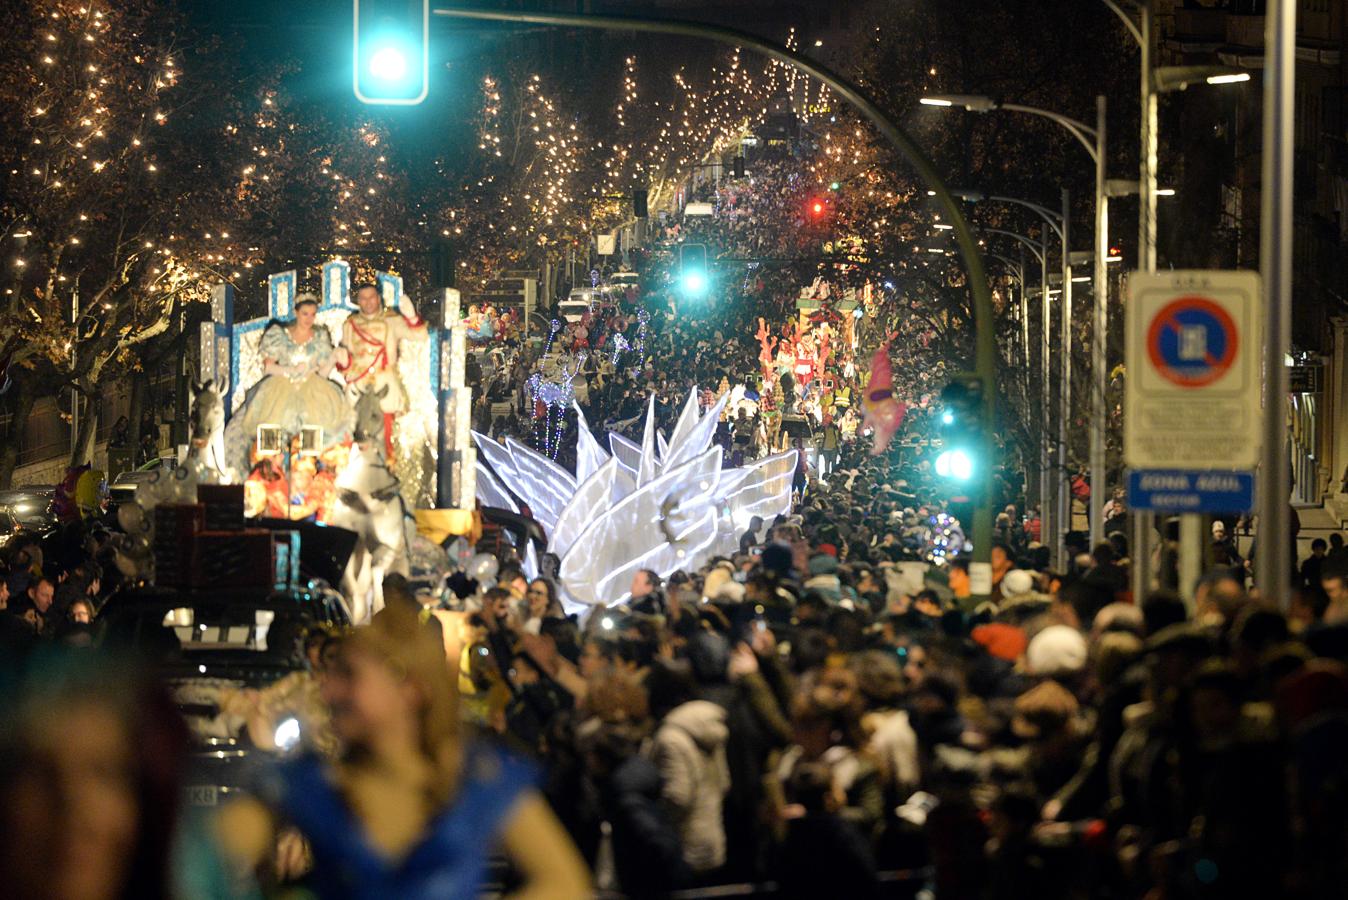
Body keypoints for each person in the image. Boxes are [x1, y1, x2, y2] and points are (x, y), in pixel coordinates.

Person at [215, 603, 590, 899]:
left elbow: (566, 883)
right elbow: (200, 861)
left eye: (350, 675)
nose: (329, 691)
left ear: (409, 687)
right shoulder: (310, 784)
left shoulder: (478, 778)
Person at [223, 293, 353, 478]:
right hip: (280, 387)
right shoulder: (279, 334)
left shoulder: (319, 336)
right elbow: (268, 368)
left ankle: (310, 473)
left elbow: (322, 374)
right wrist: (291, 370)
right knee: (269, 428)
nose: (309, 319)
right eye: (305, 313)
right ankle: (272, 474)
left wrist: (332, 358)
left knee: (318, 429)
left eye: (312, 314)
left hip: (312, 388)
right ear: (296, 312)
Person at [336, 282, 428, 459]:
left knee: (385, 429)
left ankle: (386, 468)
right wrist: (342, 360)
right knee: (351, 425)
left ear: (378, 298)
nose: (368, 302)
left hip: (384, 379)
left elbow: (420, 336)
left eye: (371, 297)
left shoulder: (392, 320)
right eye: (363, 298)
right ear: (358, 301)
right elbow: (346, 358)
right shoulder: (350, 324)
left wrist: (412, 317)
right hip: (358, 381)